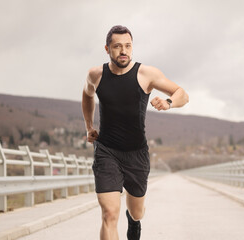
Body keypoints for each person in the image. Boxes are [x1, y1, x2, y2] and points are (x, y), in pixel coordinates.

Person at [81, 25, 189, 240]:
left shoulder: (146, 74)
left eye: (128, 46)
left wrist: (168, 102)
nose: (124, 51)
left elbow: (182, 94)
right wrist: (89, 126)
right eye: (118, 46)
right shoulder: (96, 74)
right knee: (109, 213)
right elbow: (87, 94)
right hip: (106, 151)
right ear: (107, 49)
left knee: (137, 211)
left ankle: (134, 220)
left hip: (136, 154)